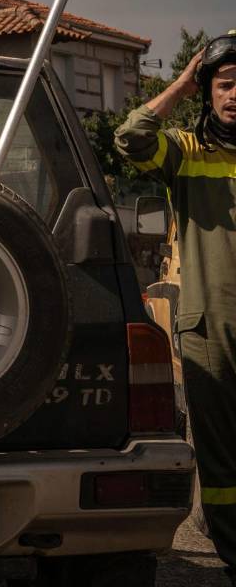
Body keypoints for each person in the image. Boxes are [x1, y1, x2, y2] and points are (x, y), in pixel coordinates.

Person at [115, 30, 236, 583]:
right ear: (207, 90)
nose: (234, 95)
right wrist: (181, 84)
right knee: (221, 460)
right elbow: (131, 138)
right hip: (211, 330)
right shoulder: (187, 152)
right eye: (225, 83)